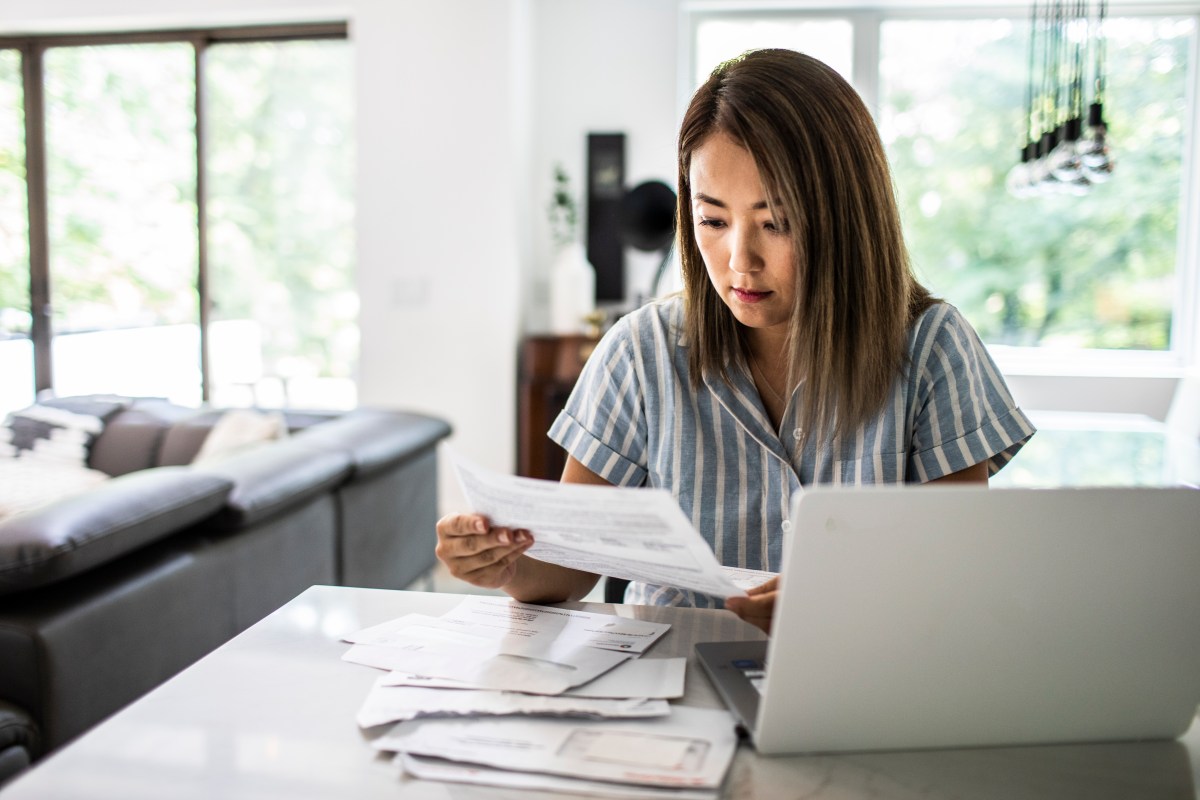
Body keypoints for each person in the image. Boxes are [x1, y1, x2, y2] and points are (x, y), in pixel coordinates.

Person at [436, 49, 1035, 633]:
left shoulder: (933, 350)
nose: (738, 261)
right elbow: (567, 569)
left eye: (777, 223)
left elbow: (959, 575)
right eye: (713, 220)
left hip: (863, 683)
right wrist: (506, 562)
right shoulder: (642, 351)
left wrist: (839, 600)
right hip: (669, 692)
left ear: (846, 217)